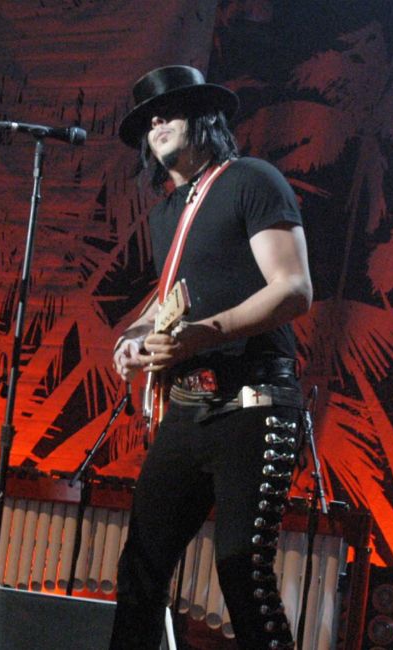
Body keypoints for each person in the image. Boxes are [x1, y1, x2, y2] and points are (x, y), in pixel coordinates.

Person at [109, 66, 312, 649]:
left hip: (254, 403)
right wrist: (134, 335)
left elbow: (293, 288)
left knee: (241, 571)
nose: (157, 122)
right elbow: (172, 296)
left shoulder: (252, 180)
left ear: (206, 119)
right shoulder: (167, 214)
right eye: (150, 118)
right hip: (188, 409)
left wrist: (203, 333)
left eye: (171, 110)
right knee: (140, 569)